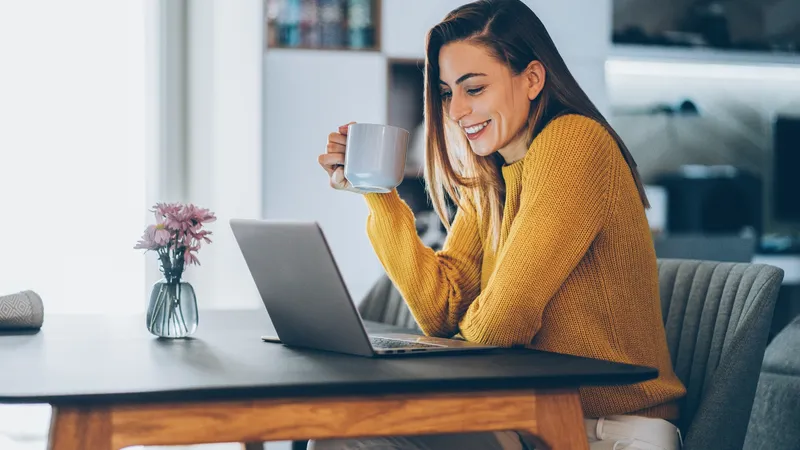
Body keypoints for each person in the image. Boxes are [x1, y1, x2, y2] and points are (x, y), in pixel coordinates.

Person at [314, 0, 686, 448]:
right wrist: (377, 194)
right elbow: (441, 312)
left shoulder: (574, 142)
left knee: (349, 439)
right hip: (526, 413)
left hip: (608, 428)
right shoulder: (492, 176)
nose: (454, 111)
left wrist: (468, 328)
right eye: (448, 92)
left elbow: (502, 325)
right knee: (339, 436)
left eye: (474, 89)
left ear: (531, 79)